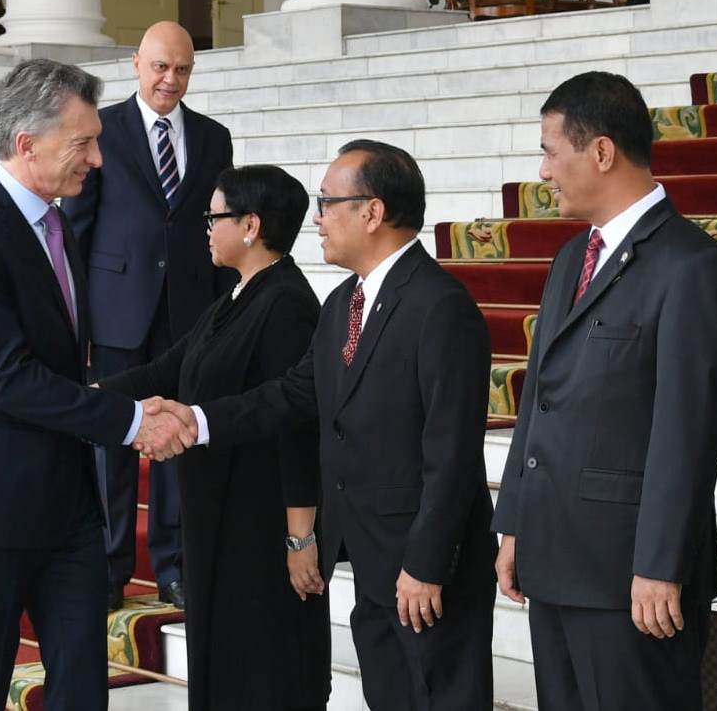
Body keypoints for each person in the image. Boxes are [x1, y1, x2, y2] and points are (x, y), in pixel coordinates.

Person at [143, 141, 498, 711]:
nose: (317, 218)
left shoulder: (440, 305)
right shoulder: (342, 305)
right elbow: (291, 394)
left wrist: (426, 564)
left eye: (328, 202)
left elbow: (452, 452)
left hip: (424, 571)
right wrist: (198, 420)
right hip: (370, 560)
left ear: (372, 212)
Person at [0, 59, 194, 711]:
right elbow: (6, 377)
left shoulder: (60, 223)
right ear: (26, 143)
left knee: (81, 686)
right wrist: (127, 420)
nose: (97, 160)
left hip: (66, 508)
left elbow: (68, 363)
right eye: (84, 143)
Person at [491, 71, 717, 710]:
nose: (544, 171)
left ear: (601, 152)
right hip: (553, 559)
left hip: (631, 577)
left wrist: (659, 563)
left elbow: (687, 434)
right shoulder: (570, 258)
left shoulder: (691, 267)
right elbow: (539, 402)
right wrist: (515, 523)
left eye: (552, 151)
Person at [98, 165, 331, 711]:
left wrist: (300, 537)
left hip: (259, 517)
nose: (206, 227)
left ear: (250, 224)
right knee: (220, 656)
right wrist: (82, 398)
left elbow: (298, 421)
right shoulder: (237, 295)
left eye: (214, 216)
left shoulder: (288, 302)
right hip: (215, 508)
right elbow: (166, 371)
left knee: (259, 663)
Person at [62, 20, 234, 611]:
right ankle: (109, 569)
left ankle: (172, 565)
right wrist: (78, 324)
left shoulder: (215, 138)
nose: (171, 79)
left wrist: (221, 315)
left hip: (187, 313)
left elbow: (219, 230)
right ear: (136, 63)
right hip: (116, 313)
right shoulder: (98, 129)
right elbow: (76, 233)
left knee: (174, 438)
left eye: (183, 68)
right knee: (110, 440)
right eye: (161, 66)